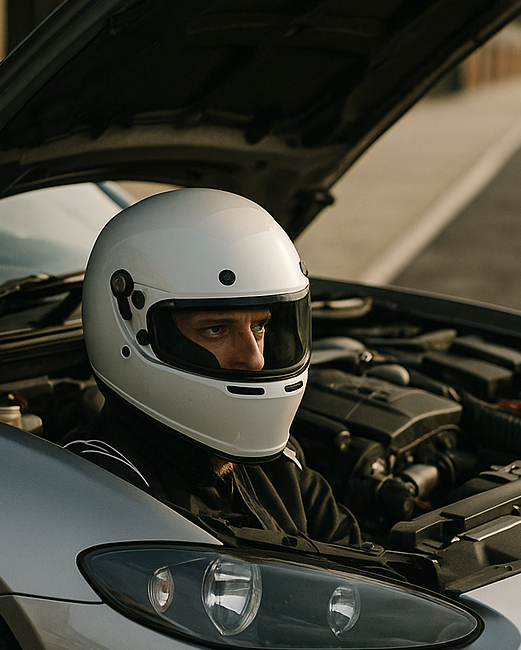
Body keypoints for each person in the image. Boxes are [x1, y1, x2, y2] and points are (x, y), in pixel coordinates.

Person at [67, 187, 360, 546]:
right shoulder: (98, 493)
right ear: (131, 330)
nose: (255, 358)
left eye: (260, 326)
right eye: (216, 329)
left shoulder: (277, 463)